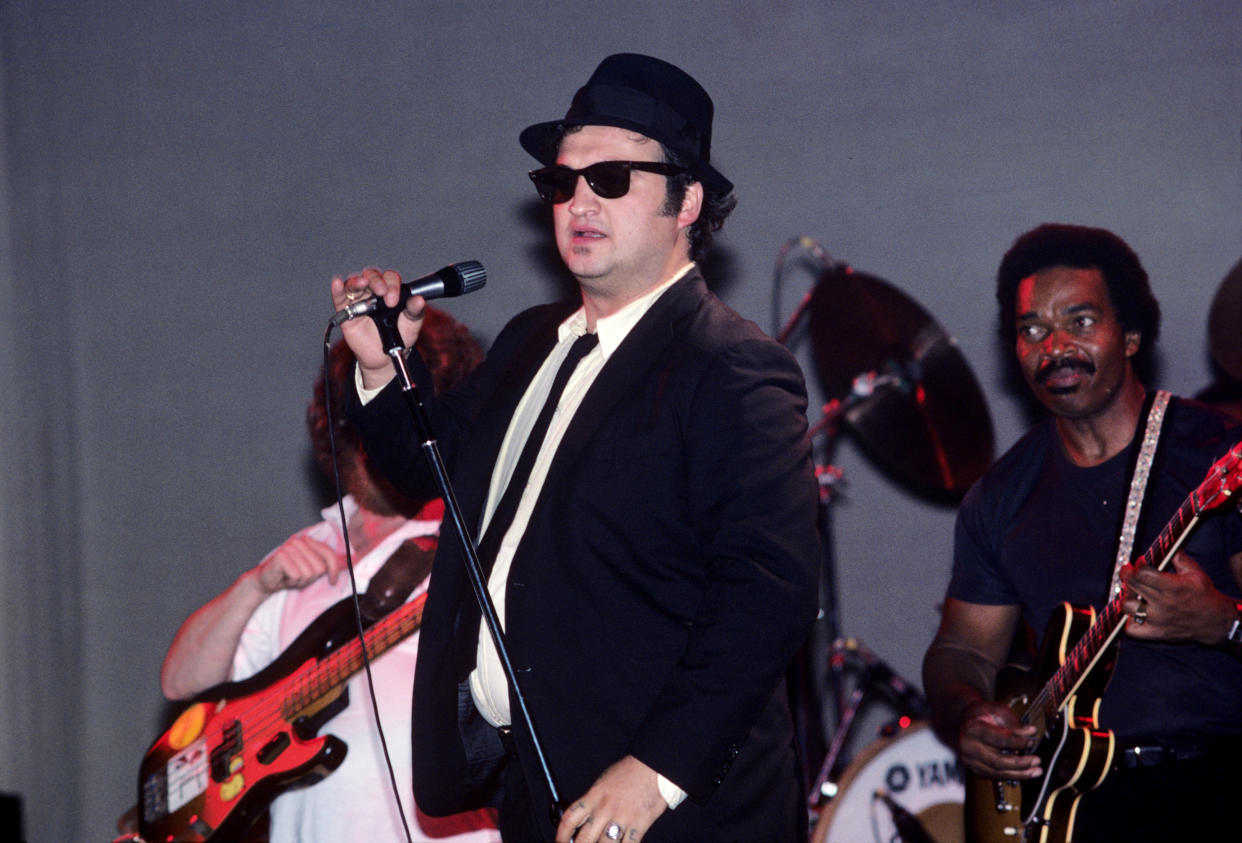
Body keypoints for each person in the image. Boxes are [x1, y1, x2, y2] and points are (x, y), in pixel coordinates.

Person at [333, 53, 821, 841]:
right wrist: (380, 364)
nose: (579, 201)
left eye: (613, 179)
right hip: (541, 792)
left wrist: (654, 773)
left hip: (669, 810)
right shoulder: (531, 342)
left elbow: (768, 596)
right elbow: (430, 473)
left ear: (687, 198)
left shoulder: (730, 366)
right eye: (562, 183)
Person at [922, 223, 1242, 840]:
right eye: (1032, 330)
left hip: (1217, 787)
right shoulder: (999, 498)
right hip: (1076, 807)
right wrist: (969, 712)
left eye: (1081, 321)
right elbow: (961, 650)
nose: (1055, 347)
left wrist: (1220, 621)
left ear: (1130, 335)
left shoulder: (1216, 455)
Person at [159, 308, 500, 843]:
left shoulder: (476, 547)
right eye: (368, 414)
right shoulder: (302, 555)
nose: (383, 441)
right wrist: (253, 587)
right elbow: (182, 682)